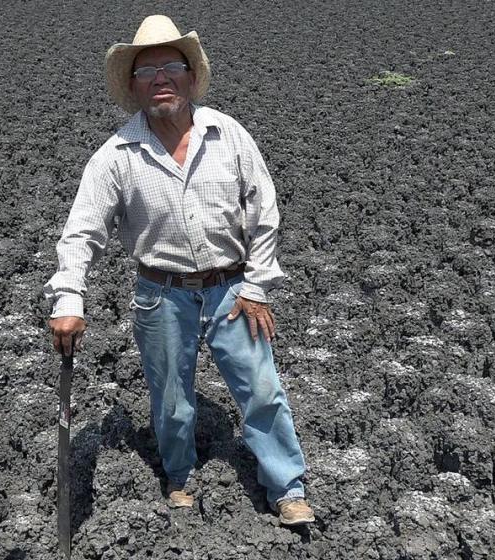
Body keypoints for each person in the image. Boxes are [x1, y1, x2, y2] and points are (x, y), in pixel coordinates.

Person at [43, 15, 315, 526]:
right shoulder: (116, 155)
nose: (161, 78)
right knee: (170, 400)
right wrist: (69, 299)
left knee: (261, 390)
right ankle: (180, 477)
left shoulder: (228, 135)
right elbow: (82, 232)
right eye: (148, 71)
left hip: (233, 289)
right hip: (160, 292)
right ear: (133, 86)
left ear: (191, 77)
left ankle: (287, 487)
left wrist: (257, 287)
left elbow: (264, 211)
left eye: (172, 66)